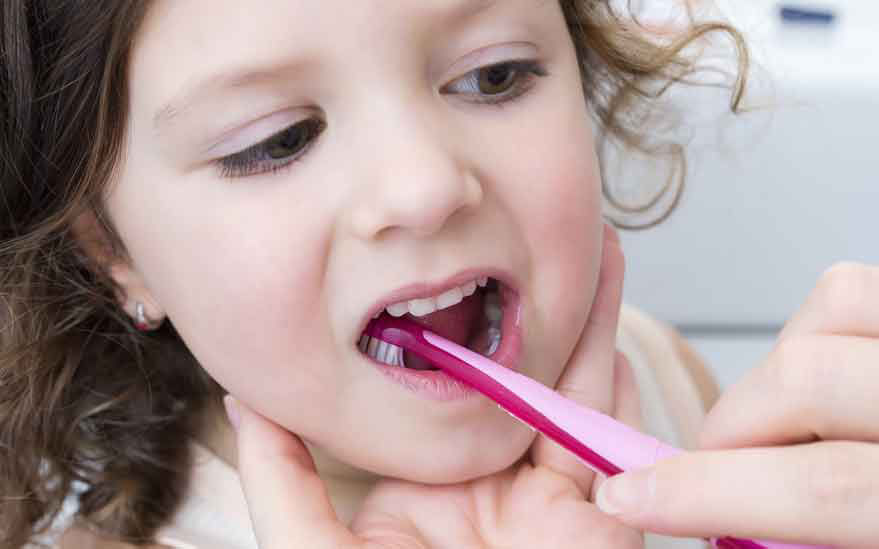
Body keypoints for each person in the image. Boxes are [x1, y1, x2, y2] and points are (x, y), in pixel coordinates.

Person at [9, 2, 867, 549]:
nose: (424, 186)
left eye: (494, 76)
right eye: (277, 140)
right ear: (106, 246)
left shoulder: (654, 374)